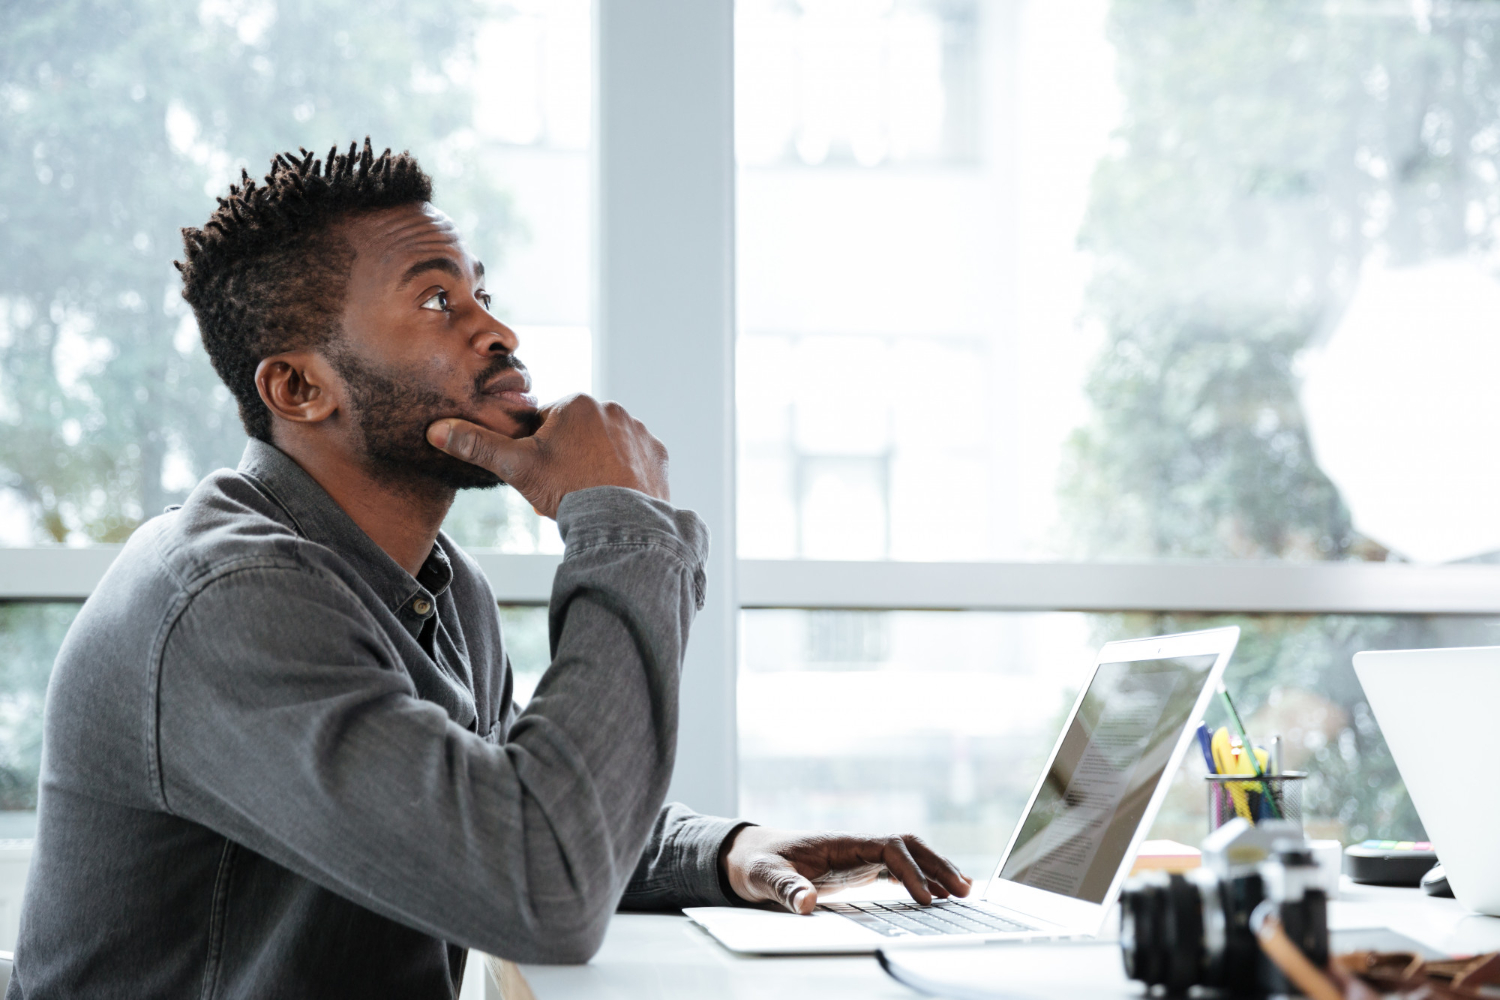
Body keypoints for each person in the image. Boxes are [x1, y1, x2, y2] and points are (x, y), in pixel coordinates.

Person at [6, 140, 970, 998]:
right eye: (436, 299)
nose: (496, 331)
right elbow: (534, 883)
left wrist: (725, 852)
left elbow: (491, 812)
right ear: (299, 388)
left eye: (481, 293)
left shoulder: (435, 584)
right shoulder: (228, 599)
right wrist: (620, 522)